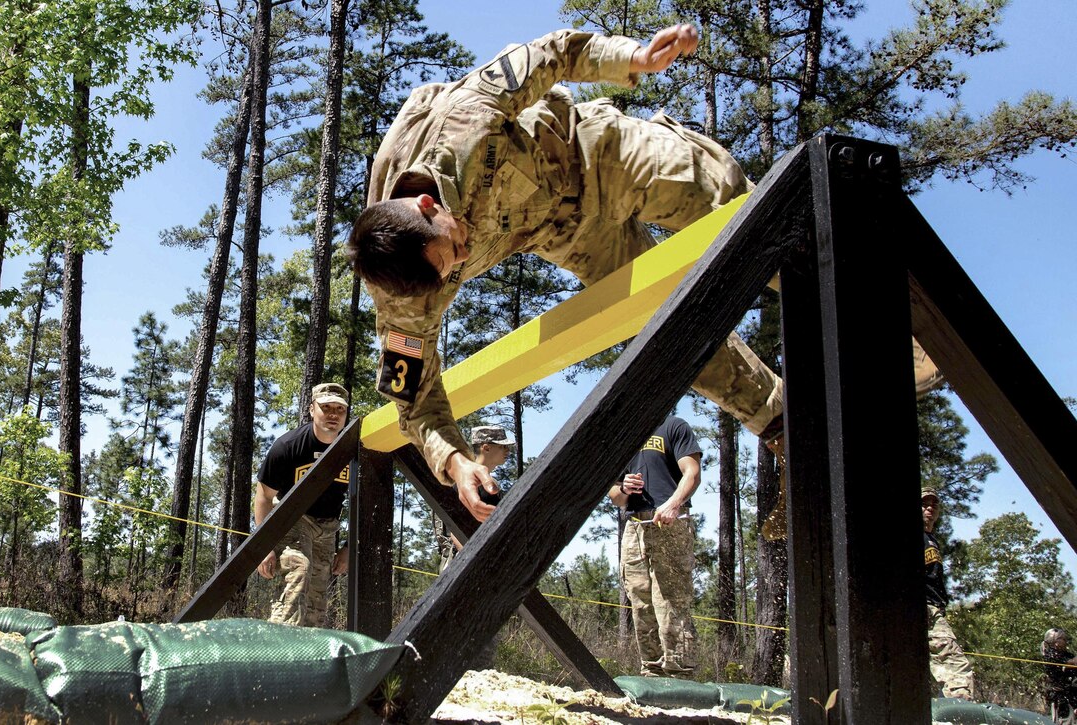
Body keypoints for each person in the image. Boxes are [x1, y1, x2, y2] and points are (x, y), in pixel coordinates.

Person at [347, 24, 942, 527]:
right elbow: (414, 402)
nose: (465, 253)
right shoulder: (402, 298)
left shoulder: (462, 121)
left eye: (454, 246)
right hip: (561, 231)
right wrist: (455, 463)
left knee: (716, 201)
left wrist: (631, 57)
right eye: (455, 269)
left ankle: (880, 322)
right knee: (673, 321)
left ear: (428, 206)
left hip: (587, 150)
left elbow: (552, 54)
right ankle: (784, 420)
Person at [608, 413, 701, 678]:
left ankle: (680, 673)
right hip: (635, 526)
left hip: (670, 521)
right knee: (639, 600)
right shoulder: (626, 435)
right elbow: (615, 495)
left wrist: (673, 503)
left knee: (671, 600)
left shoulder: (673, 426)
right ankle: (651, 671)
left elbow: (692, 473)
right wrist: (623, 487)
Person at [253, 382, 352, 626]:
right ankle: (277, 646)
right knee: (300, 568)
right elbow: (264, 496)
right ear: (311, 409)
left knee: (317, 600)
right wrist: (263, 546)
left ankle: (307, 654)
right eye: (326, 407)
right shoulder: (288, 447)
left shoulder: (353, 450)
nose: (333, 414)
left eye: (339, 409)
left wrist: (349, 548)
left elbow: (363, 505)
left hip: (328, 529)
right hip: (293, 520)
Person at [433, 425, 515, 570]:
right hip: (465, 566)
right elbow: (455, 530)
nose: (508, 451)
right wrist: (476, 562)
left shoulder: (491, 484)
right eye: (503, 447)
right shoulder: (466, 480)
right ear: (486, 448)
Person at [922, 487, 975, 699]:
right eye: (924, 503)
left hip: (934, 607)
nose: (929, 508)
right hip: (926, 609)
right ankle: (962, 715)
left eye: (934, 504)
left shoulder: (931, 539)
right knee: (957, 669)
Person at [1042, 628, 1077, 723]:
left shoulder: (1067, 654)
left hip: (1071, 692)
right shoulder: (1051, 654)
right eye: (1063, 639)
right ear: (1054, 640)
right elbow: (1073, 662)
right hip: (1058, 695)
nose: (1065, 641)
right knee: (1061, 720)